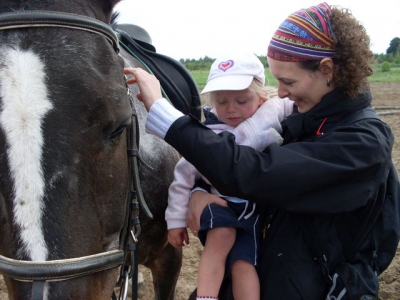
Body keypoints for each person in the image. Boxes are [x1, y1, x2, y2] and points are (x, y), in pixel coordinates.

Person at [124, 2, 400, 299]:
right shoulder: (302, 118)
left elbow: (259, 172)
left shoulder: (363, 141)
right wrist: (199, 194)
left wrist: (168, 118)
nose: (279, 92)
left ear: (327, 70)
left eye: (288, 81)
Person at [165, 53, 292, 300]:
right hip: (221, 204)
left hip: (252, 213)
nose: (231, 109)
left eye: (242, 100)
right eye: (221, 102)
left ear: (262, 96)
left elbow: (292, 102)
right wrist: (175, 220)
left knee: (243, 265)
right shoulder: (207, 134)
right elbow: (182, 177)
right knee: (220, 237)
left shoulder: (272, 115)